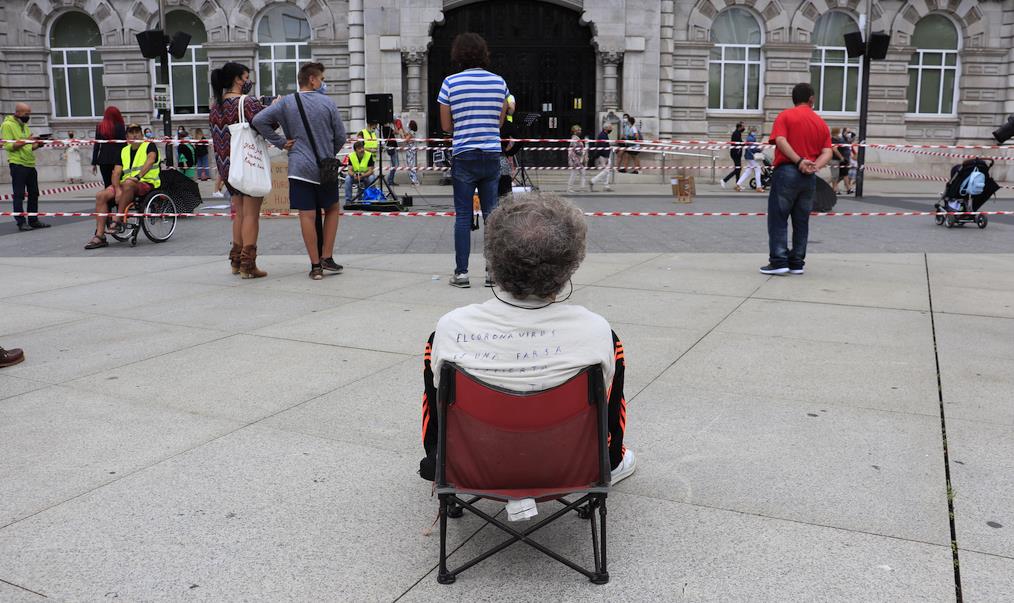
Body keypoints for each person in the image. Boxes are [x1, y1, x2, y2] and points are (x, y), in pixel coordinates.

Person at [417, 193, 636, 485]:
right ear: (571, 261)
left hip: (471, 464)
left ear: (494, 256)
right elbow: (610, 410)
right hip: (570, 466)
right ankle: (613, 460)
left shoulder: (449, 328)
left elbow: (434, 406)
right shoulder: (598, 332)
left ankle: (441, 460)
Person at [253, 61, 347, 281]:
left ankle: (315, 267)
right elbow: (341, 136)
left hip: (298, 167)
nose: (323, 84)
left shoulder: (287, 102)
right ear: (312, 80)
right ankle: (327, 256)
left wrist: (280, 142)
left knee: (306, 214)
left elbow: (259, 120)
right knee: (332, 208)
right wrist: (327, 152)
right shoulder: (328, 103)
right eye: (322, 79)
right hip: (325, 167)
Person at [438, 32, 509, 288]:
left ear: (458, 54)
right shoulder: (499, 82)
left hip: (464, 153)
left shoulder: (450, 83)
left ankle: (462, 273)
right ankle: (492, 272)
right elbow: (500, 122)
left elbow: (446, 126)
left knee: (463, 216)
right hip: (491, 154)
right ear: (483, 53)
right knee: (492, 215)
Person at [209, 61, 276, 278]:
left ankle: (236, 260)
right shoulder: (246, 102)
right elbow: (267, 125)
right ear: (238, 79)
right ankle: (249, 263)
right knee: (251, 215)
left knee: (238, 213)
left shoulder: (215, 106)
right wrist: (276, 106)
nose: (248, 82)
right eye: (246, 77)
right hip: (247, 163)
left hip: (227, 167)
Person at [761, 83, 833, 276]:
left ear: (793, 98)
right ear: (812, 99)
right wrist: (814, 165)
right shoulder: (821, 123)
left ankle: (778, 260)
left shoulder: (785, 116)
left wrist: (799, 160)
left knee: (779, 217)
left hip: (787, 171)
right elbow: (828, 151)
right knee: (802, 220)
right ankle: (797, 262)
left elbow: (780, 140)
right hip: (809, 177)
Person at [84, 123, 160, 249]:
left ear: (141, 135)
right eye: (131, 132)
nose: (135, 134)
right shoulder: (124, 151)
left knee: (129, 184)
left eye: (137, 132)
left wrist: (138, 176)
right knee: (101, 195)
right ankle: (100, 236)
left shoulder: (149, 146)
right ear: (127, 136)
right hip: (125, 184)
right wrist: (118, 190)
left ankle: (118, 219)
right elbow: (116, 172)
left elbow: (151, 160)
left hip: (146, 182)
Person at [3, 103, 49, 231]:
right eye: (26, 114)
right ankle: (21, 222)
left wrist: (38, 144)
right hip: (17, 164)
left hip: (29, 163)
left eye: (29, 114)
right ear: (17, 112)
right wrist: (27, 140)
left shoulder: (25, 126)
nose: (28, 116)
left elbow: (29, 147)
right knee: (19, 194)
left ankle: (33, 220)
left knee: (34, 193)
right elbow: (8, 146)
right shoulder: (7, 125)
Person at [92, 107, 126, 189]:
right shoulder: (120, 126)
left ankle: (108, 200)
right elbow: (124, 144)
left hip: (103, 160)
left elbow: (97, 145)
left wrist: (94, 162)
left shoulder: (100, 127)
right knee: (118, 183)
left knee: (107, 184)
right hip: (118, 159)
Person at [735, 126, 764, 193]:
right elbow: (752, 148)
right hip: (751, 156)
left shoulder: (750, 137)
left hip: (749, 156)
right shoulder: (751, 138)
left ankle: (738, 185)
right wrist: (759, 149)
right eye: (755, 131)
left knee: (748, 172)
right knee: (758, 170)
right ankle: (758, 187)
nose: (755, 133)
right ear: (752, 131)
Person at [589, 122, 615, 192]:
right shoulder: (603, 135)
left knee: (607, 171)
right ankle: (593, 181)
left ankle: (606, 186)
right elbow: (603, 147)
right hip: (603, 156)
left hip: (604, 155)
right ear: (606, 128)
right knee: (606, 171)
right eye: (610, 127)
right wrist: (606, 157)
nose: (611, 129)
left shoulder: (604, 134)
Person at [721, 121, 745, 188]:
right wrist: (743, 143)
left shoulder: (738, 133)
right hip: (735, 154)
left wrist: (743, 143)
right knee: (737, 169)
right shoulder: (735, 133)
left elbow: (739, 142)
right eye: (743, 126)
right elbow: (736, 143)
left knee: (739, 169)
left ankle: (738, 185)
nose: (744, 128)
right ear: (739, 127)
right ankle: (724, 180)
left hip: (738, 153)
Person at [831, 127, 854, 195]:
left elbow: (850, 143)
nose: (849, 133)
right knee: (836, 175)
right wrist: (841, 157)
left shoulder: (839, 139)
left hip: (843, 159)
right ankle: (834, 189)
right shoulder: (837, 139)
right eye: (848, 132)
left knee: (843, 174)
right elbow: (835, 149)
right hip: (836, 159)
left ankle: (847, 188)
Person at [566, 124, 588, 193]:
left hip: (576, 159)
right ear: (575, 131)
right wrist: (583, 153)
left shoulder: (576, 138)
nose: (580, 131)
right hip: (575, 159)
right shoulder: (575, 139)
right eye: (579, 130)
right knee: (577, 173)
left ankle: (579, 187)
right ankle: (572, 188)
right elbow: (576, 150)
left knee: (579, 172)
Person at [383, 120, 401, 186]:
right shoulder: (388, 128)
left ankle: (390, 180)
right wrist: (394, 124)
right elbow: (397, 132)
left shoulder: (384, 129)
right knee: (395, 164)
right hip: (392, 147)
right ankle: (389, 180)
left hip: (390, 147)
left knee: (394, 164)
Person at [405, 120, 420, 186]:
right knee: (411, 165)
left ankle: (415, 181)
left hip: (410, 151)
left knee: (411, 166)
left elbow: (406, 139)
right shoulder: (411, 132)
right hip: (411, 151)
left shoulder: (411, 132)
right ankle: (414, 180)